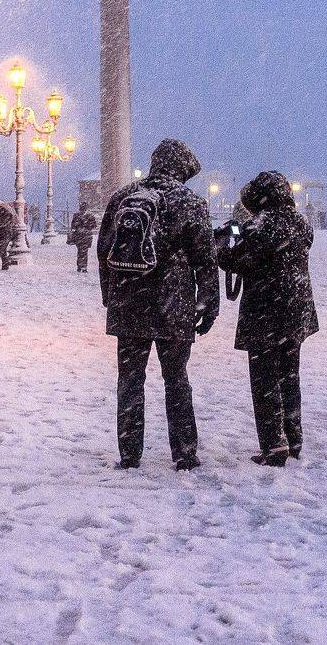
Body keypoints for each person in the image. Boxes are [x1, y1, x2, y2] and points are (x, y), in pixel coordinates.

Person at [98, 139, 219, 471]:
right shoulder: (189, 201)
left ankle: (129, 454)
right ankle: (184, 452)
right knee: (176, 378)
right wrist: (208, 304)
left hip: (128, 303)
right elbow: (205, 259)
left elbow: (104, 249)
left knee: (130, 380)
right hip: (173, 305)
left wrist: (110, 295)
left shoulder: (123, 197)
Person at [216, 171, 319, 467]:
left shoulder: (261, 226)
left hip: (265, 313)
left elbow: (236, 260)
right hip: (296, 312)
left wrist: (223, 242)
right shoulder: (300, 224)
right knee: (289, 377)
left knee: (264, 381)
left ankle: (274, 446)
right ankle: (294, 439)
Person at [68, 202, 98, 272]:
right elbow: (94, 225)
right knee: (84, 252)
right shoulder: (90, 215)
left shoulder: (77, 215)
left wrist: (78, 227)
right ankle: (83, 267)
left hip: (80, 236)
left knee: (80, 251)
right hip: (85, 236)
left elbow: (73, 226)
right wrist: (87, 226)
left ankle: (80, 266)